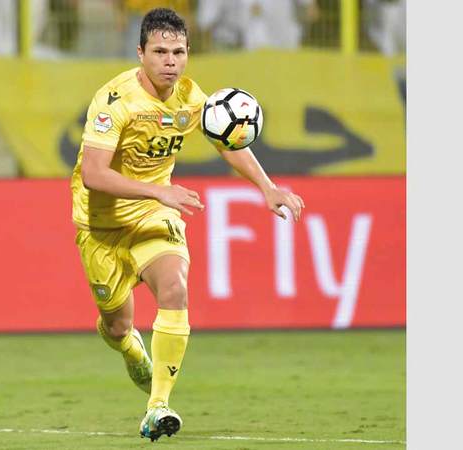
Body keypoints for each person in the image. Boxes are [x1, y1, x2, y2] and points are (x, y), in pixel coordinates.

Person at [69, 7, 305, 442]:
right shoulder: (114, 101)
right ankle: (130, 350)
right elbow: (94, 174)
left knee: (175, 287)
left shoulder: (191, 97)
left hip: (153, 214)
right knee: (117, 326)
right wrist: (158, 190)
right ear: (140, 53)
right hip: (100, 224)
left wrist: (268, 188)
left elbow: (225, 141)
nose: (170, 61)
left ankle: (157, 406)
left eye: (178, 52)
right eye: (160, 52)